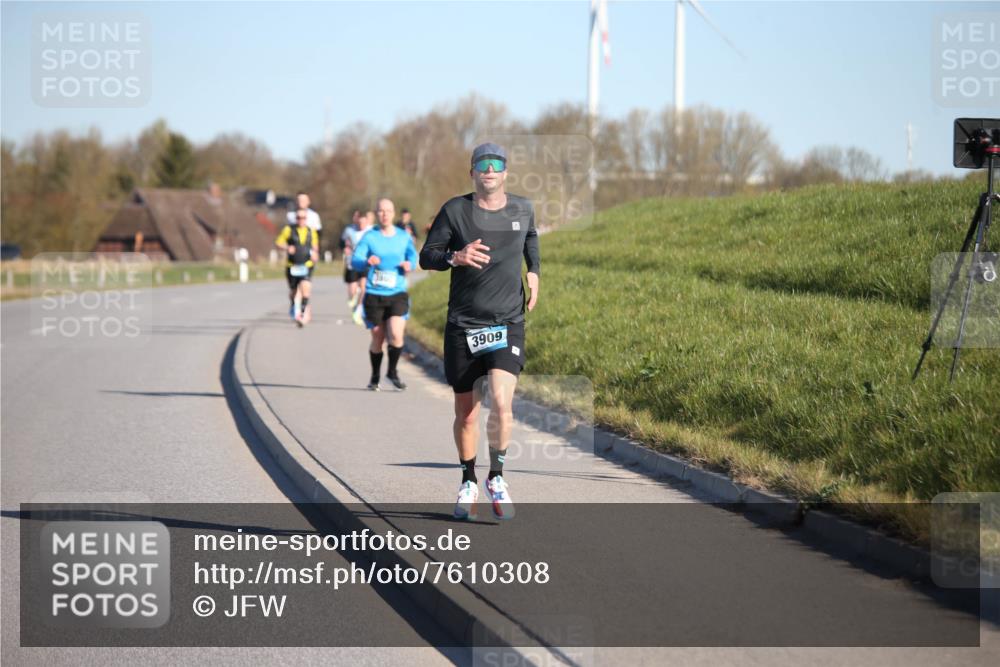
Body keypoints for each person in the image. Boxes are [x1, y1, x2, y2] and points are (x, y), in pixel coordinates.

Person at [419, 142, 540, 521]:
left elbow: (531, 238)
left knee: (502, 405)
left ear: (505, 172)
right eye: (481, 164)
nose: (489, 169)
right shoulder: (455, 210)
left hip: (507, 322)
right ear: (472, 172)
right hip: (464, 325)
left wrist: (533, 271)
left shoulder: (522, 207)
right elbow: (427, 256)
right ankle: (468, 477)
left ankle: (497, 476)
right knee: (468, 415)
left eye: (496, 164)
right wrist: (455, 256)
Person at [352, 198, 418, 391]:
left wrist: (410, 264)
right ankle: (374, 376)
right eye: (381, 211)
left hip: (397, 292)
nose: (384, 214)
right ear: (376, 213)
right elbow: (356, 259)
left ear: (394, 213)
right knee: (378, 337)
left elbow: (413, 256)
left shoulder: (403, 236)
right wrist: (366, 260)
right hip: (374, 293)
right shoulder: (370, 237)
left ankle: (392, 372)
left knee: (396, 334)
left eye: (388, 211)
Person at [275, 208, 319, 327]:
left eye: (303, 218)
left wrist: (315, 254)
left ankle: (302, 313)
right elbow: (278, 242)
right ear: (296, 218)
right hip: (292, 265)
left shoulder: (311, 231)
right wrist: (287, 248)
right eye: (298, 218)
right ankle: (293, 304)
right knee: (294, 291)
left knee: (306, 288)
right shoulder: (288, 230)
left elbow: (315, 246)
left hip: (307, 264)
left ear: (306, 219)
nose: (301, 220)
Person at [340, 210, 368, 310]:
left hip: (365, 263)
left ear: (367, 221)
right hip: (351, 263)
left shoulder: (370, 231)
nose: (362, 225)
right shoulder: (349, 230)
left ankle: (359, 307)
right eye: (360, 222)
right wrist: (345, 247)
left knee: (364, 286)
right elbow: (341, 243)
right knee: (352, 289)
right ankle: (353, 299)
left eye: (364, 222)